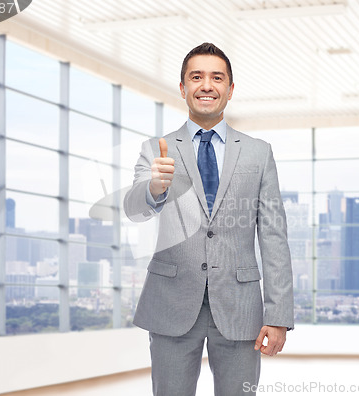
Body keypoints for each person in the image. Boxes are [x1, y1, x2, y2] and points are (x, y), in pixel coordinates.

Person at [123, 42, 294, 396]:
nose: (206, 85)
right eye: (196, 76)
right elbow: (134, 209)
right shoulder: (155, 149)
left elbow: (274, 236)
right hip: (171, 303)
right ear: (183, 88)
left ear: (230, 89)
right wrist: (154, 187)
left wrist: (278, 316)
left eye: (217, 78)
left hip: (240, 306)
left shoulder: (259, 153)